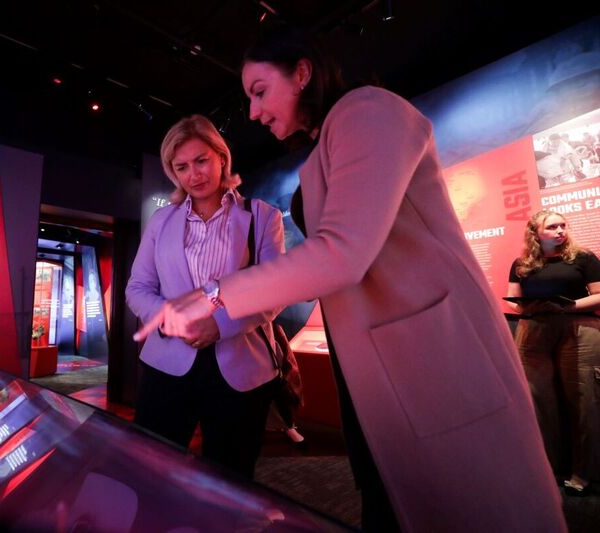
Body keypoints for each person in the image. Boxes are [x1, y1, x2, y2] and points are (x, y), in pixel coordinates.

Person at [134, 26, 565, 531]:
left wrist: (212, 298)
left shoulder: (368, 110)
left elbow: (341, 252)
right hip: (376, 363)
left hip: (429, 356)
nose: (252, 112)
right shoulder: (325, 143)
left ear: (301, 73)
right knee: (395, 502)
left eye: (259, 91)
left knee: (482, 506)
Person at [126, 114, 285, 479]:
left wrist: (219, 325)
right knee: (149, 470)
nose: (193, 175)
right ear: (172, 172)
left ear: (221, 158)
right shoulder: (161, 222)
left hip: (241, 368)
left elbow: (275, 290)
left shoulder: (262, 217)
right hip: (167, 364)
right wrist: (173, 319)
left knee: (230, 478)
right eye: (181, 167)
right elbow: (137, 289)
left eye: (201, 161)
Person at [507, 210, 600, 497]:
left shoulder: (582, 257)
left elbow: (599, 293)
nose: (560, 230)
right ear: (536, 233)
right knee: (538, 401)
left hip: (578, 328)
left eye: (563, 225)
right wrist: (527, 307)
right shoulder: (522, 264)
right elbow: (513, 301)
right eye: (552, 227)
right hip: (534, 329)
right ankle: (549, 470)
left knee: (585, 399)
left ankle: (584, 474)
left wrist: (569, 306)